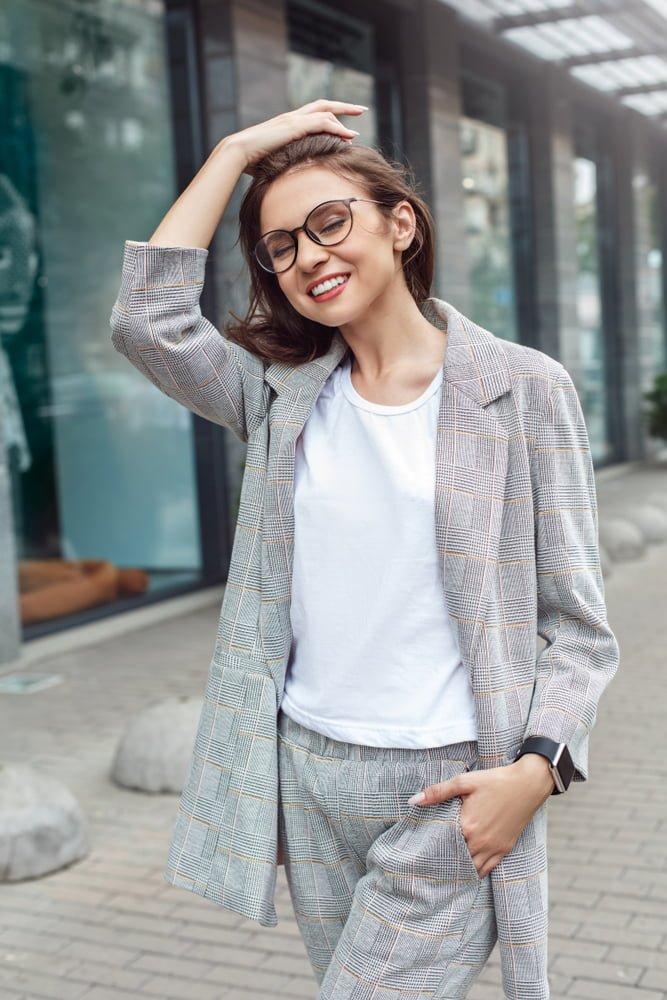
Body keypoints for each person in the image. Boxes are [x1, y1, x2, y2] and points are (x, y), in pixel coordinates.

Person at [109, 100, 619, 1000]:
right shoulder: (279, 397)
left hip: (448, 785)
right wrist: (233, 152)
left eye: (329, 222)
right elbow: (148, 322)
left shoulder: (522, 388)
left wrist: (535, 772)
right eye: (280, 246)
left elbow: (579, 627)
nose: (308, 256)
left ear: (400, 223)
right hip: (308, 774)